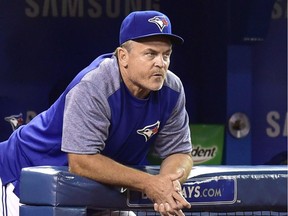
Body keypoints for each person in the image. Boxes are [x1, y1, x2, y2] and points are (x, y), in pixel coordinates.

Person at [0, 10, 193, 216]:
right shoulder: (96, 85)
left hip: (91, 191)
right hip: (23, 177)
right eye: (150, 54)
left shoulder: (171, 89)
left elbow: (180, 152)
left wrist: (168, 183)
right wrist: (150, 184)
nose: (160, 63)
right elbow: (82, 162)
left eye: (166, 54)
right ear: (123, 56)